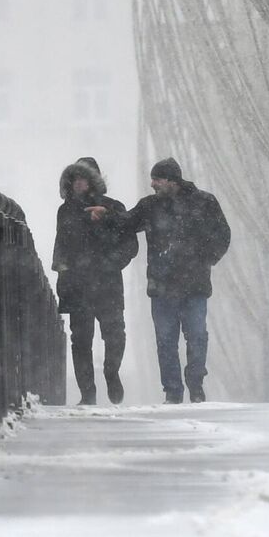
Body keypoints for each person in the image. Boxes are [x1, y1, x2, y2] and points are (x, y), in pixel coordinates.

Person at [109, 157, 231, 404]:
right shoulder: (153, 206)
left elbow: (222, 234)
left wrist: (206, 258)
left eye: (157, 179)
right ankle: (175, 389)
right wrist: (106, 213)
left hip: (184, 284)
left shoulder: (202, 202)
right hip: (171, 285)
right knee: (173, 340)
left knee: (192, 337)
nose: (153, 184)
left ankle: (191, 385)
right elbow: (125, 222)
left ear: (170, 180)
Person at [51, 157, 138, 405]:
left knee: (114, 335)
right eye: (75, 179)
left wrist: (111, 263)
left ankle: (111, 372)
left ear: (94, 180)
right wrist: (62, 272)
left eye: (84, 178)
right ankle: (87, 393)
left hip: (107, 283)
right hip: (77, 286)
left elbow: (130, 244)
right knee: (81, 340)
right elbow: (61, 245)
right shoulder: (65, 210)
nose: (79, 184)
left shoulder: (113, 207)